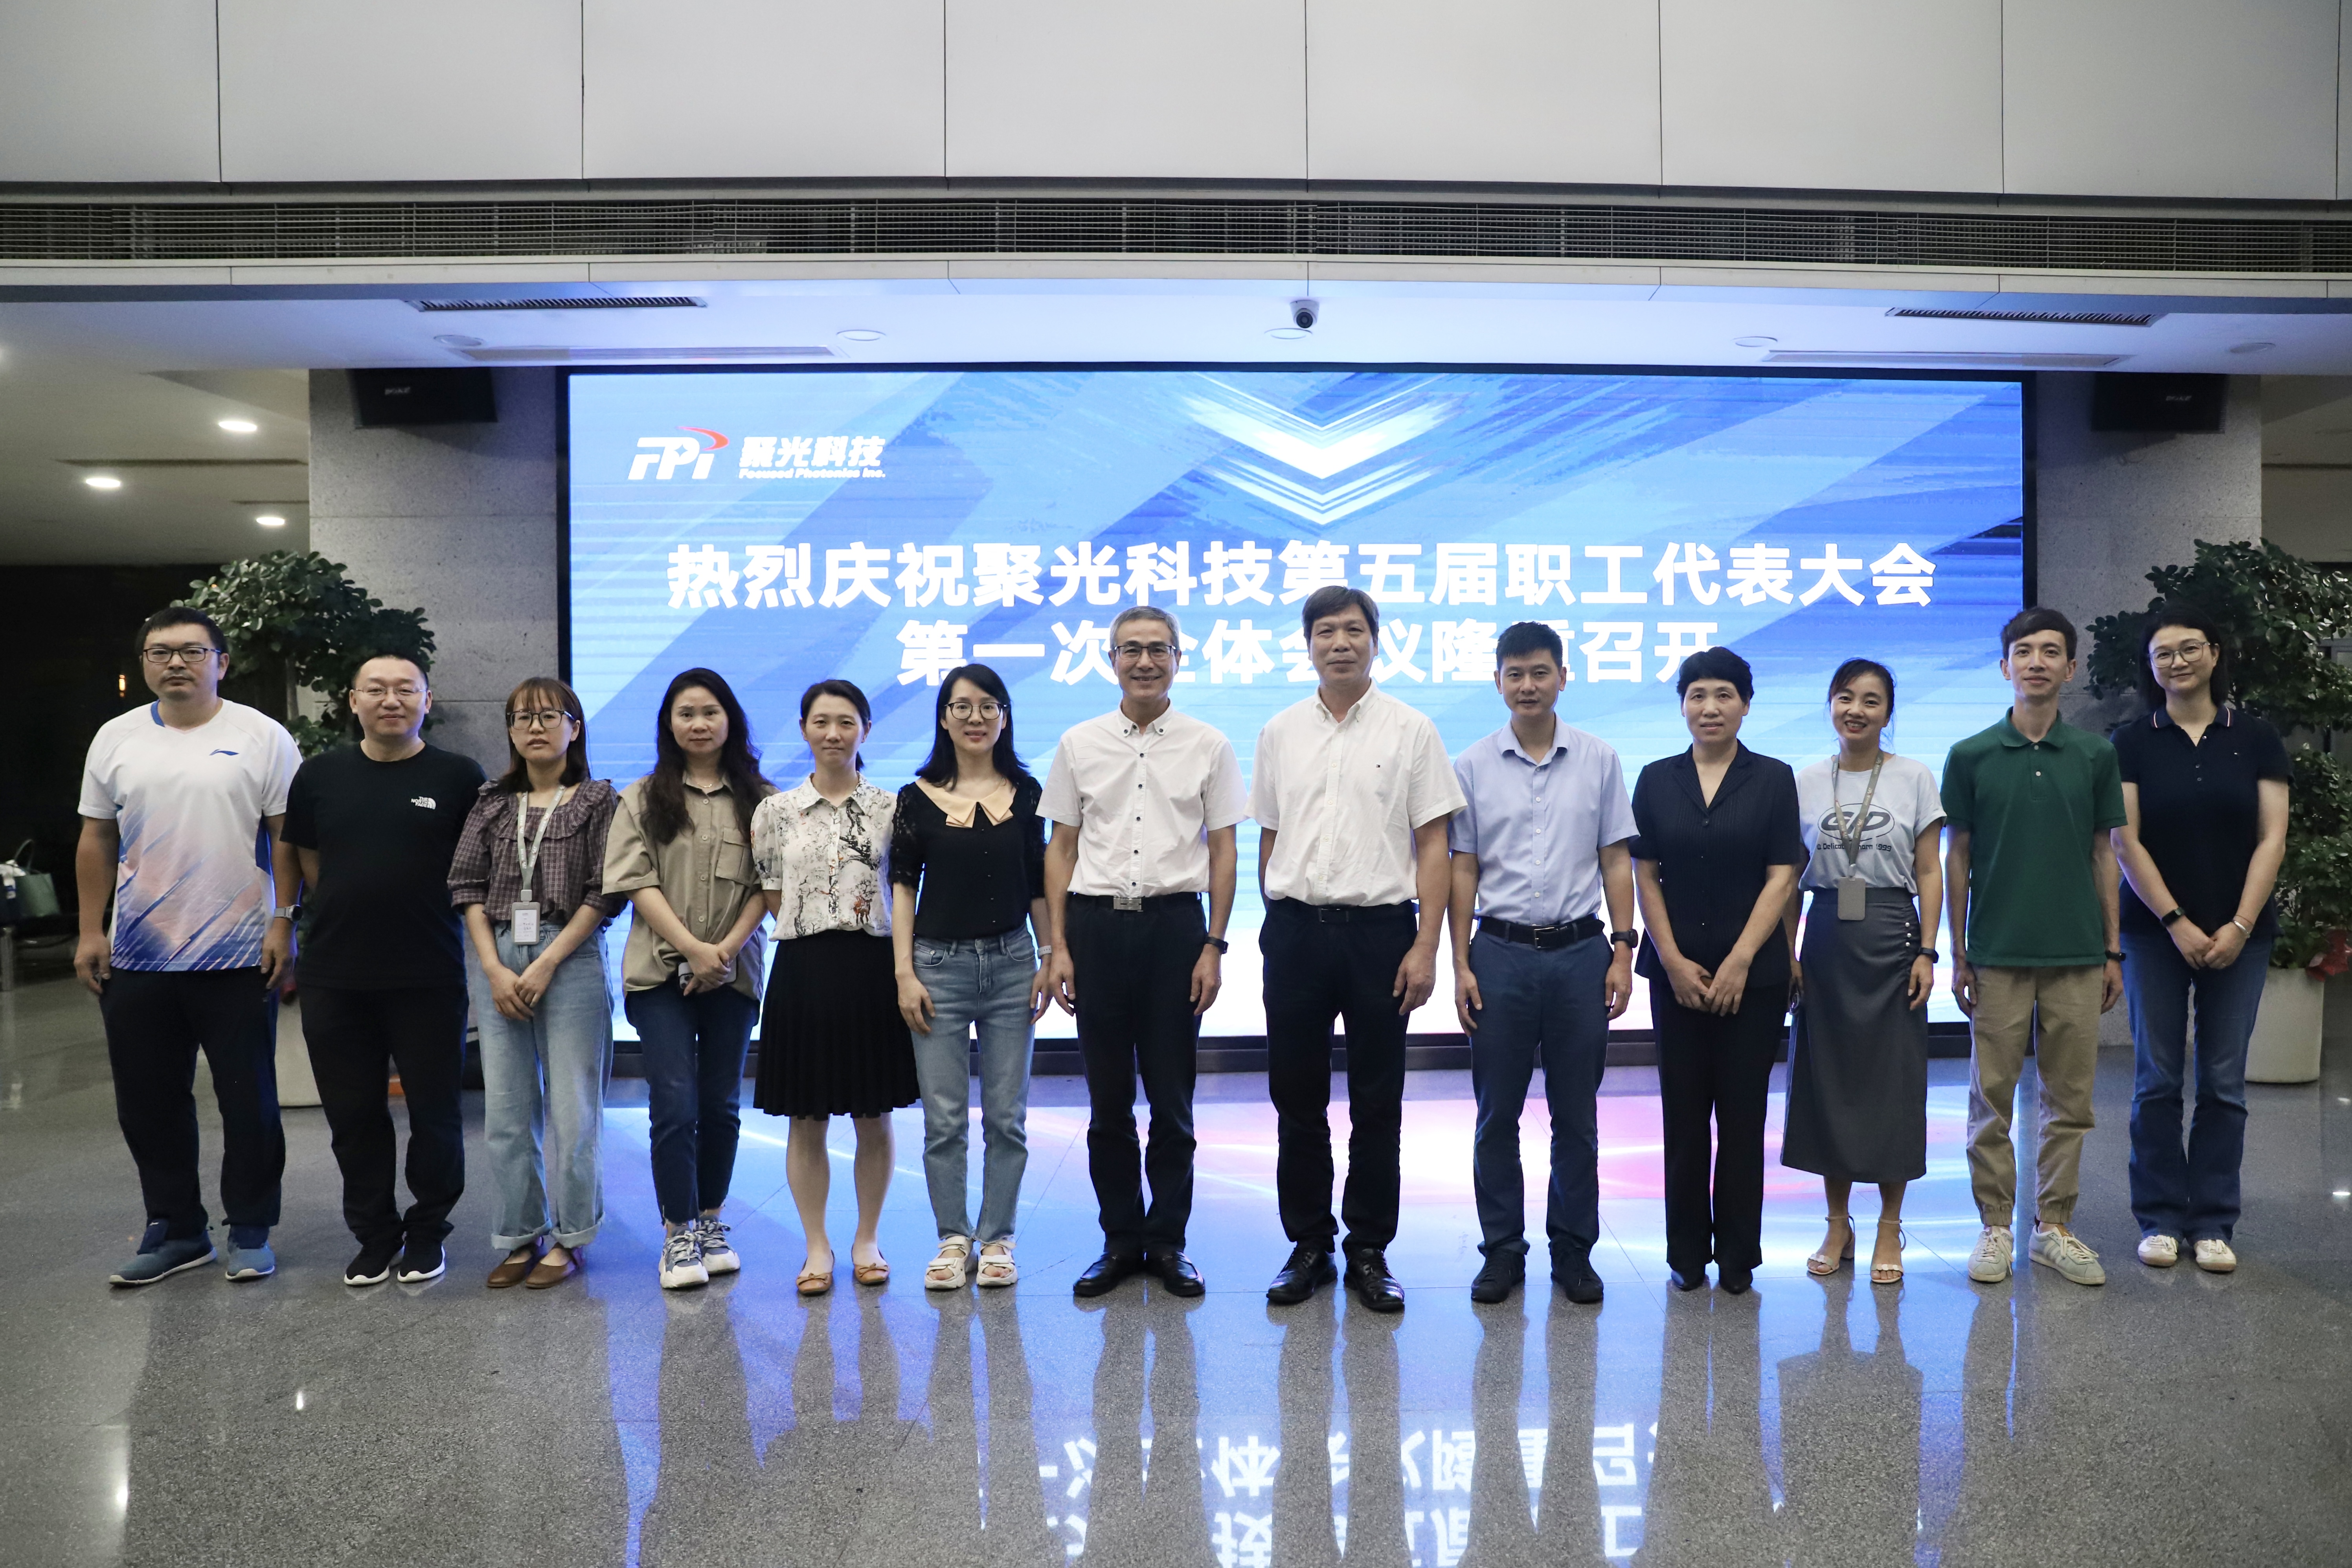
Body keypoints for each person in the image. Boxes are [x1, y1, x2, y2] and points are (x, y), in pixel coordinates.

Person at [76, 606, 303, 1286]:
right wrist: (91, 929)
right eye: (161, 652)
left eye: (192, 651)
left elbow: (287, 836)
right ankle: (177, 1228)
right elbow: (96, 837)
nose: (176, 662)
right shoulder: (115, 737)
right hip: (138, 954)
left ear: (221, 662)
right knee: (148, 1101)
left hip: (239, 953)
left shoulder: (262, 735)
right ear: (144, 663)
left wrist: (284, 921)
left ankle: (252, 1225)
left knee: (249, 1097)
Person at [1254, 585, 1464, 1314]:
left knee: (1378, 1100)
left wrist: (1425, 943)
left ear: (1376, 640)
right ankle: (1309, 1244)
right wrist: (1278, 917)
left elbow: (1434, 842)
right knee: (1296, 1096)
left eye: (1353, 630)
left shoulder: (1412, 729)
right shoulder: (1280, 730)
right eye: (1325, 631)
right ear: (1308, 643)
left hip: (1381, 935)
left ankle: (1369, 1248)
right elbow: (1271, 832)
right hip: (1296, 933)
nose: (1339, 643)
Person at [1041, 606, 1246, 1300]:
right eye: (1131, 650)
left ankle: (1168, 1242)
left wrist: (1214, 943)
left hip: (1174, 931)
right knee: (1108, 1103)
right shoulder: (1079, 742)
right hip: (1096, 931)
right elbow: (1062, 847)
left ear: (1179, 658)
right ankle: (1120, 1239)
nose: (1145, 662)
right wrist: (1058, 946)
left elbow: (1224, 850)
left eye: (1159, 649)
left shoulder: (1208, 744)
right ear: (1111, 660)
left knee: (1172, 1100)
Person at [1446, 621, 1637, 1307]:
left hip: (1581, 954)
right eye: (1515, 674)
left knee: (1576, 1116)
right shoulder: (1471, 765)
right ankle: (1502, 1250)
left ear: (1563, 676)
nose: (1528, 685)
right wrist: (1460, 961)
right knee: (1496, 1115)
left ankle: (1573, 1250)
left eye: (1540, 672)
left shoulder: (1599, 759)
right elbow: (1463, 867)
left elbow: (1616, 858)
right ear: (1498, 681)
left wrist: (1623, 948)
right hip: (1498, 954)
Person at [281, 651, 485, 1287]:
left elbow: (475, 866)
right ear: (353, 700)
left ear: (427, 700)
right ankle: (374, 1234)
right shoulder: (319, 775)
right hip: (335, 973)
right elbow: (305, 856)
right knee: (353, 1115)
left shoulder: (459, 776)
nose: (391, 699)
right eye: (376, 689)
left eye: (405, 689)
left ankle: (427, 1231)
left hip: (428, 971)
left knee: (434, 1113)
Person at [1943, 607, 2128, 1289]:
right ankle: (1996, 1224)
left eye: (2052, 652)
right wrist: (1959, 951)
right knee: (1989, 1098)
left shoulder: (2095, 755)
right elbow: (1957, 856)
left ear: (2070, 668)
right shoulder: (1970, 755)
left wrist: (2113, 949)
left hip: (2077, 953)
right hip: (1996, 952)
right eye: (2024, 651)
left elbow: (2104, 854)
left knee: (2069, 1099)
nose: (2037, 662)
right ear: (2005, 667)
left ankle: (2054, 1226)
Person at [2111, 604, 2290, 1274]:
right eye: (2163, 653)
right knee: (2156, 1080)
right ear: (2150, 667)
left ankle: (2213, 1220)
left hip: (2243, 934)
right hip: (2154, 934)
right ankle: (2160, 1217)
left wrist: (2240, 924)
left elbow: (2273, 836)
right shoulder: (2132, 740)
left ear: (2215, 654)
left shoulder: (2257, 736)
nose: (2177, 661)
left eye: (2190, 648)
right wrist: (2175, 921)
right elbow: (2125, 841)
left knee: (2223, 1082)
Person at [1630, 646, 1803, 1295]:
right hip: (1675, 977)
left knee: (1742, 1115)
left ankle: (1737, 1254)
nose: (1710, 707)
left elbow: (1783, 874)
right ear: (1682, 705)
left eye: (1724, 694)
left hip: (1753, 979)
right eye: (1697, 694)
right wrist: (1671, 959)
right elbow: (1645, 872)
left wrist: (1740, 960)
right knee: (1683, 1118)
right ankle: (1685, 1252)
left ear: (1746, 704)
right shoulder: (1656, 778)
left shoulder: (1773, 778)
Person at [449, 676, 623, 1290]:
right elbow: (466, 886)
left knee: (573, 1110)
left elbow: (607, 891)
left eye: (550, 716)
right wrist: (493, 967)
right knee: (506, 1110)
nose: (535, 727)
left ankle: (573, 1236)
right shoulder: (491, 801)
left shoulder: (599, 799)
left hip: (569, 954)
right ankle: (521, 1234)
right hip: (498, 954)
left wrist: (548, 961)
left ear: (575, 728)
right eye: (523, 717)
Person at [603, 668, 775, 1291]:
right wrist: (693, 949)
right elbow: (636, 881)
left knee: (721, 1104)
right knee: (674, 1102)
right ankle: (678, 1233)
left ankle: (710, 1221)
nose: (698, 724)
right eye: (686, 713)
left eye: (710, 712)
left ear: (730, 720)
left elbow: (768, 885)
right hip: (659, 973)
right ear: (669, 724)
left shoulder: (763, 799)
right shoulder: (642, 797)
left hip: (734, 971)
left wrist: (721, 951)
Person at [752, 678, 919, 1296]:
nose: (833, 733)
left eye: (846, 722)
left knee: (874, 1113)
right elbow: (773, 891)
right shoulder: (775, 811)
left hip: (873, 965)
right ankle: (817, 1246)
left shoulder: (892, 808)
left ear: (866, 730)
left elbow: (903, 889)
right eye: (821, 721)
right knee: (807, 1115)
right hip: (803, 968)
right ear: (804, 728)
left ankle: (867, 1239)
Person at [1781, 659, 1944, 1287]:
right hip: (1826, 934)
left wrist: (1928, 951)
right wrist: (1788, 952)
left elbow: (1928, 870)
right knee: (1831, 1079)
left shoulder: (1914, 776)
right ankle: (1837, 1223)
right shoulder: (1804, 781)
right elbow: (1789, 877)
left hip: (1892, 933)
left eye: (1871, 700)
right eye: (1845, 697)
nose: (1857, 710)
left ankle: (1888, 1225)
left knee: (1892, 1083)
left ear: (1888, 712)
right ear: (1830, 704)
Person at [890, 664, 1052, 1292]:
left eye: (989, 705)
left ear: (1005, 717)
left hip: (1012, 964)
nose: (976, 717)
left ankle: (999, 1237)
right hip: (937, 968)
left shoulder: (1028, 793)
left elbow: (1037, 883)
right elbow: (903, 888)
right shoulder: (916, 797)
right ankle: (953, 1238)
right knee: (945, 1118)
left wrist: (1049, 955)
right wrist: (904, 972)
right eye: (962, 706)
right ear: (944, 717)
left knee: (1007, 1116)